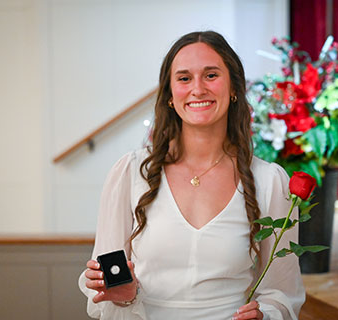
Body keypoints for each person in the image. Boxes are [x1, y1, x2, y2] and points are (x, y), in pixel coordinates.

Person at [78, 30, 305, 320]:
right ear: (171, 94)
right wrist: (122, 296)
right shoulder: (131, 173)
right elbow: (105, 285)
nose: (198, 89)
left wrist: (265, 315)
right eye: (184, 78)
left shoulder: (269, 181)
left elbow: (283, 292)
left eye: (211, 75)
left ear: (234, 87)